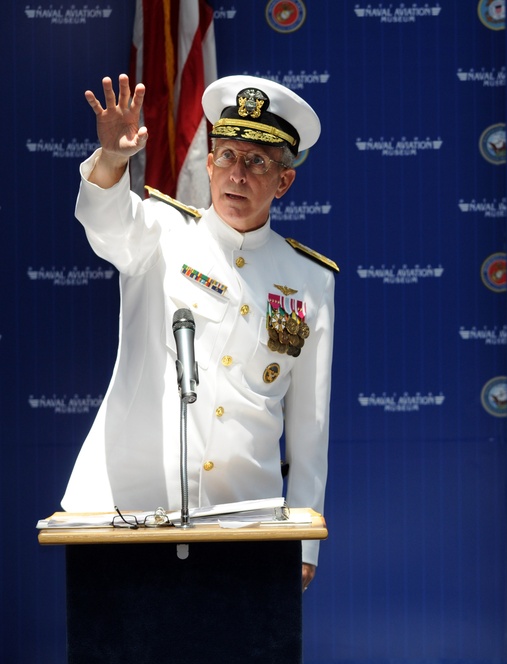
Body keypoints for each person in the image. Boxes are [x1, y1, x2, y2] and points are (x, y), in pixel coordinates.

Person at [61, 73, 338, 592]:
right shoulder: (161, 231)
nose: (239, 174)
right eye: (228, 156)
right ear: (208, 165)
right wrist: (114, 160)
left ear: (284, 181)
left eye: (257, 161)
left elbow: (309, 429)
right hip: (130, 515)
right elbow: (106, 225)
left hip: (245, 526)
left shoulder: (310, 282)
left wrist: (304, 539)